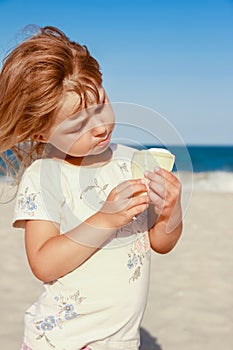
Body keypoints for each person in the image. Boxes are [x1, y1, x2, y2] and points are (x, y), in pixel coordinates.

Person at [0, 26, 182, 350]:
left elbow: (161, 242)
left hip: (122, 341)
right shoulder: (44, 176)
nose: (99, 127)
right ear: (41, 134)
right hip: (62, 341)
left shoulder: (131, 162)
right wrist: (105, 219)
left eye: (100, 105)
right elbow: (42, 264)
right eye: (78, 124)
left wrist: (170, 209)